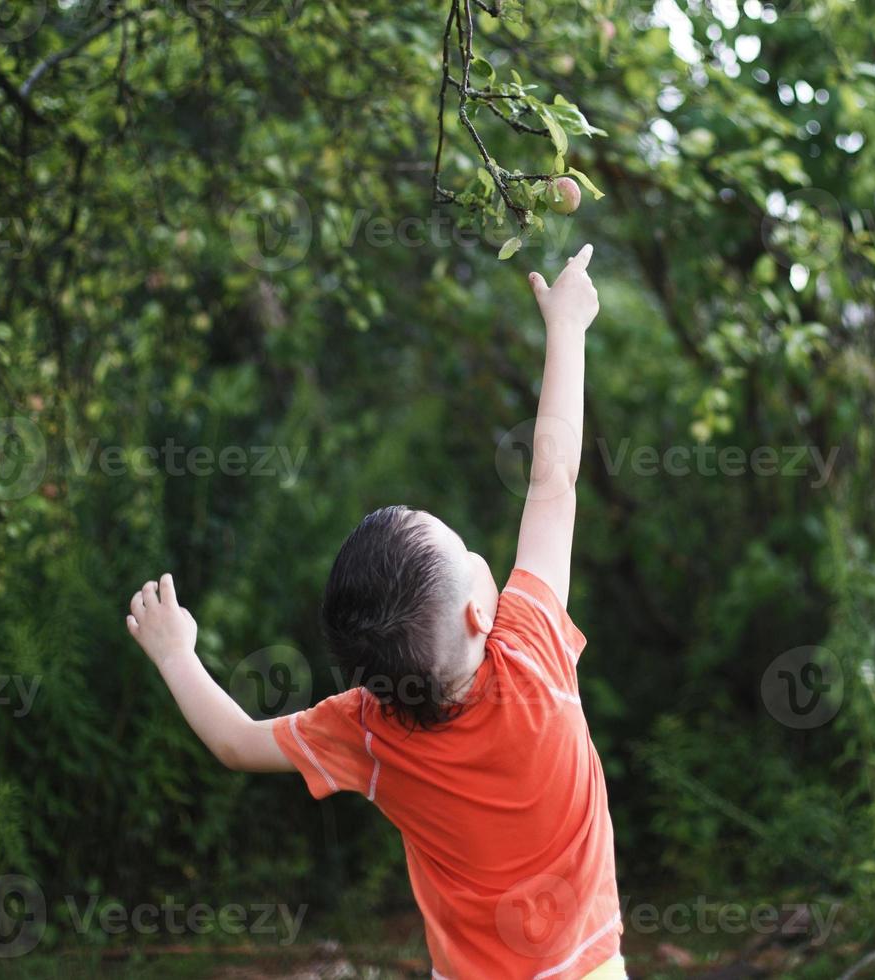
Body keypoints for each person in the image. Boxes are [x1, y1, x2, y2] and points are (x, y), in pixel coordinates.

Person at [126, 241, 624, 979]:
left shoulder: (366, 728)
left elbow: (235, 742)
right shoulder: (532, 649)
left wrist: (175, 654)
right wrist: (567, 331)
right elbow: (554, 479)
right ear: (476, 616)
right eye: (459, 549)